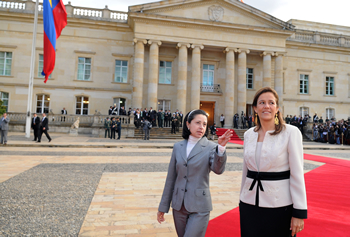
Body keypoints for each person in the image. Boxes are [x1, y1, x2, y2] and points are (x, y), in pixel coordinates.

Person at [240, 87, 307, 237]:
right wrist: (241, 199)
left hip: (280, 206)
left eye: (271, 102)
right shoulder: (248, 135)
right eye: (262, 102)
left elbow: (297, 174)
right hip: (249, 205)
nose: (266, 106)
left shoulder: (290, 132)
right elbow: (246, 172)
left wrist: (299, 212)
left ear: (277, 108)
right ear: (255, 108)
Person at [157, 109, 233, 237]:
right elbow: (171, 178)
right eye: (198, 123)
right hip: (179, 206)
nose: (201, 127)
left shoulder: (210, 147)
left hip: (200, 206)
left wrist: (221, 148)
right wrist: (163, 207)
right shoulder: (178, 147)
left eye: (204, 124)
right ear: (188, 124)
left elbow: (218, 169)